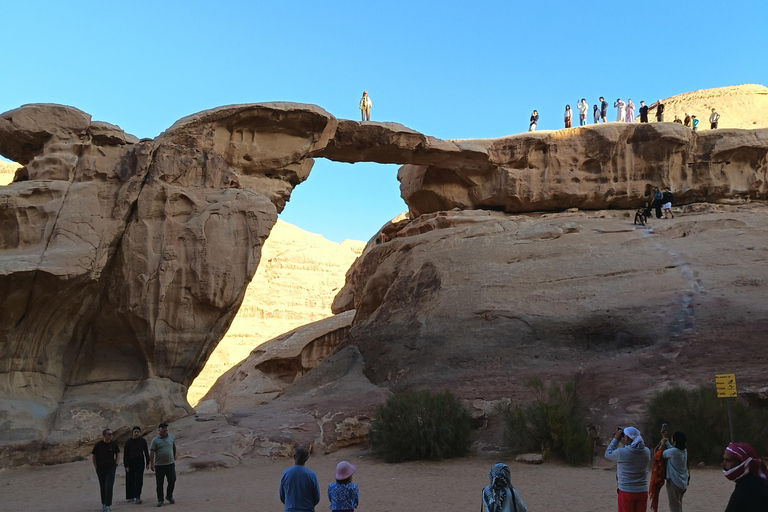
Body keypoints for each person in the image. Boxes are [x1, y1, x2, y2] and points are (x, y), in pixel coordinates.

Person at [605, 426, 651, 512]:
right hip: (642, 490)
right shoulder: (647, 452)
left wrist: (616, 439)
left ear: (626, 437)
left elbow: (608, 454)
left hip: (626, 490)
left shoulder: (622, 453)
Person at [722, 442, 768, 512]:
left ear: (743, 462)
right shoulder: (757, 482)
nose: (723, 464)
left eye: (728, 460)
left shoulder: (748, 489)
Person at [280, 445, 320, 512]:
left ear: (294, 456)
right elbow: (316, 497)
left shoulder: (286, 473)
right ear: (307, 458)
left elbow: (282, 495)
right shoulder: (311, 475)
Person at [659, 431, 689, 512]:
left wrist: (662, 444)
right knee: (678, 506)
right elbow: (672, 448)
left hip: (674, 483)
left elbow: (662, 454)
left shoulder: (673, 452)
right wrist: (665, 438)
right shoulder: (684, 451)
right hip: (682, 483)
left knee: (674, 508)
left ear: (675, 442)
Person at [92, 428, 120, 512]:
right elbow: (94, 456)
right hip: (101, 469)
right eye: (109, 434)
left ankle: (108, 505)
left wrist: (116, 464)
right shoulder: (98, 445)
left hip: (111, 468)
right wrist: (96, 467)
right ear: (104, 435)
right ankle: (104, 504)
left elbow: (118, 454)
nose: (111, 436)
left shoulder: (114, 445)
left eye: (112, 434)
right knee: (103, 486)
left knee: (109, 486)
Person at [150, 422, 177, 507]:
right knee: (159, 483)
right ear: (159, 429)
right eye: (163, 428)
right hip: (159, 465)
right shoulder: (155, 440)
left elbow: (174, 447)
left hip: (170, 464)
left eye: (166, 428)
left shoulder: (171, 437)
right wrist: (152, 464)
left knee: (172, 480)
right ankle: (160, 500)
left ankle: (169, 496)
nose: (165, 429)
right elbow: (152, 452)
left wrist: (174, 456)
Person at [124, 426, 150, 504]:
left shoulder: (143, 441)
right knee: (130, 479)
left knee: (139, 479)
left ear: (140, 433)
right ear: (132, 433)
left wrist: (148, 462)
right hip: (130, 462)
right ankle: (130, 496)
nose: (136, 433)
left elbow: (146, 452)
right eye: (135, 432)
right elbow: (125, 455)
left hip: (140, 461)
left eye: (138, 432)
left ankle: (138, 496)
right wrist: (126, 465)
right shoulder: (128, 442)